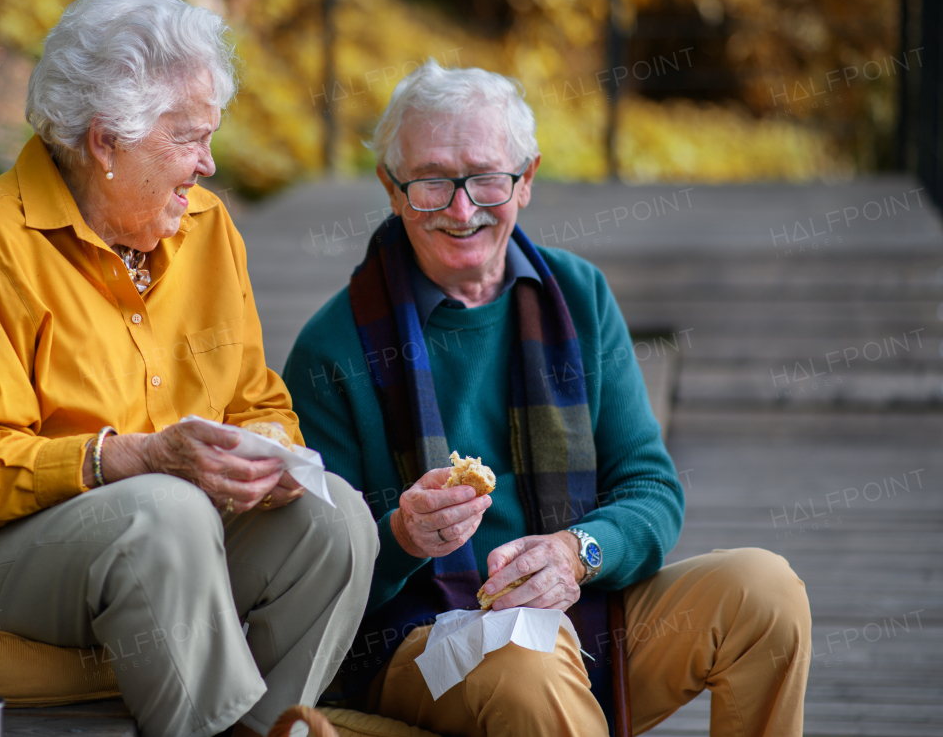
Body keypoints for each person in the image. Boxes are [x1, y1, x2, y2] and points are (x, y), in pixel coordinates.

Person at [0, 0, 377, 737]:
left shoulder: (207, 229)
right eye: (187, 138)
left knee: (337, 520)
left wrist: (271, 455)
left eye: (211, 136)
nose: (207, 163)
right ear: (105, 141)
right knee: (162, 510)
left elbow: (255, 397)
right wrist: (121, 459)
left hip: (161, 537)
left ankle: (265, 724)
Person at [283, 60, 811, 737]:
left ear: (526, 180)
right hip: (416, 643)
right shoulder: (332, 348)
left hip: (582, 615)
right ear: (392, 187)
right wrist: (401, 536)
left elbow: (650, 487)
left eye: (486, 178)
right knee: (525, 661)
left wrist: (577, 551)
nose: (461, 209)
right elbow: (308, 576)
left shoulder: (578, 294)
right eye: (431, 182)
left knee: (764, 593)